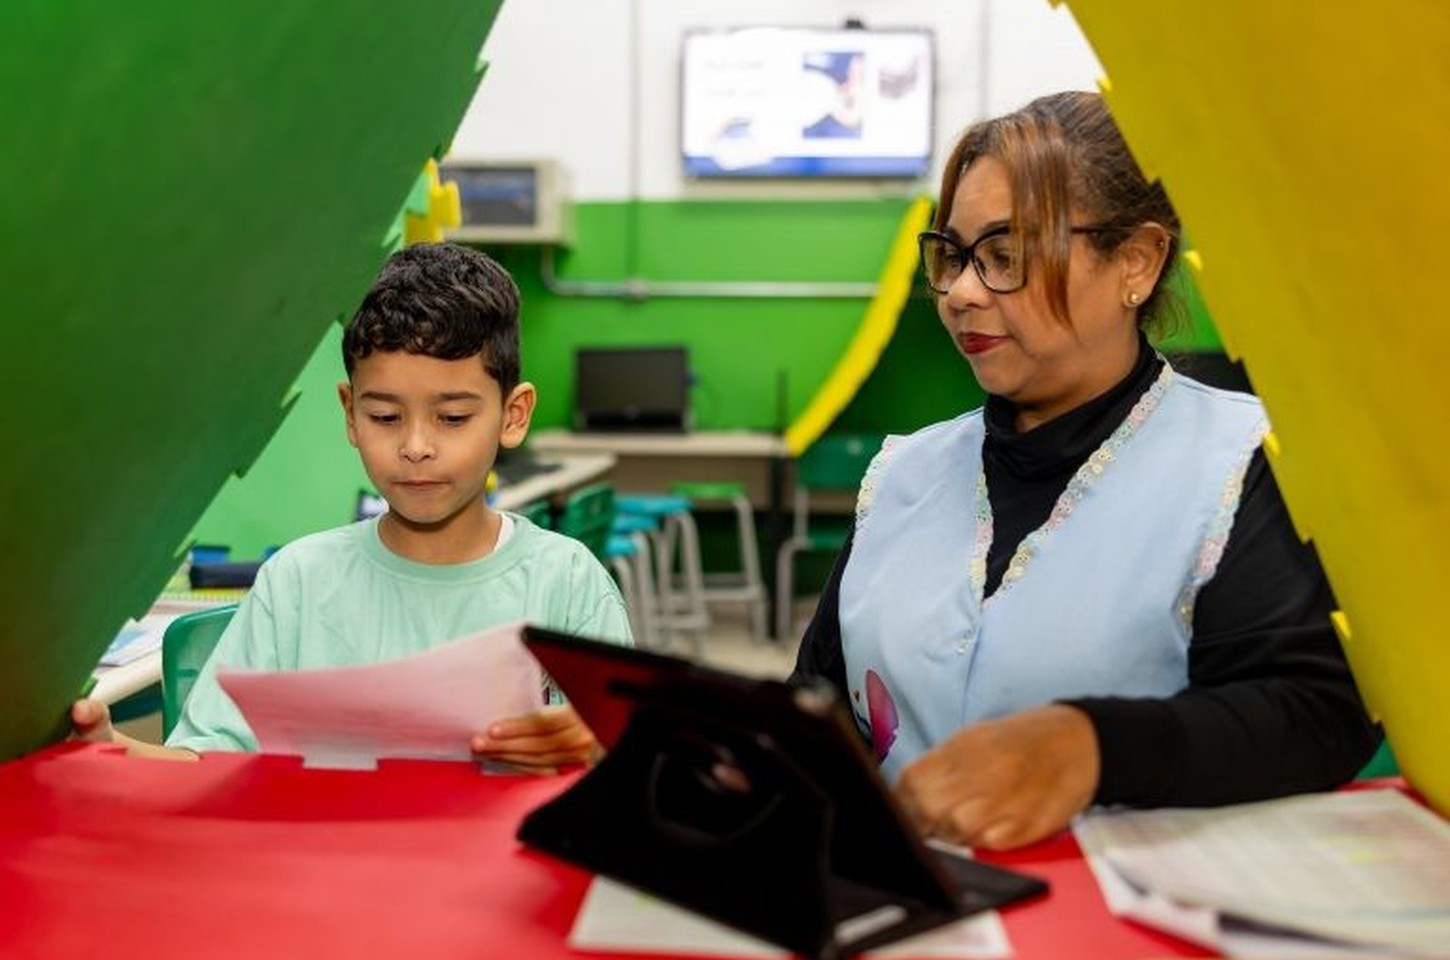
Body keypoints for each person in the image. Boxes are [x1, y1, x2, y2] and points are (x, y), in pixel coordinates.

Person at [790, 91, 1379, 850]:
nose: (962, 292)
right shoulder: (905, 472)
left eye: (1006, 256)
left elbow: (1315, 714)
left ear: (1135, 261)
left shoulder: (1239, 462)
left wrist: (1093, 746)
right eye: (954, 255)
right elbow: (819, 696)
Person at [72, 242, 632, 766]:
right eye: (385, 417)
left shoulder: (568, 583)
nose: (416, 447)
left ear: (513, 415)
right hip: (319, 868)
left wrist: (597, 753)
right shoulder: (297, 583)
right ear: (350, 413)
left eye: (453, 417)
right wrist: (112, 748)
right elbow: (210, 765)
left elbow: (629, 768)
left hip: (502, 868)